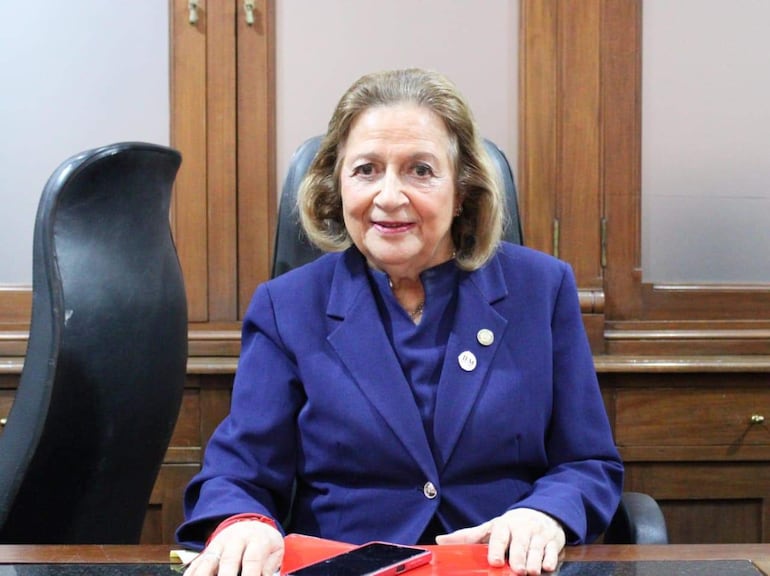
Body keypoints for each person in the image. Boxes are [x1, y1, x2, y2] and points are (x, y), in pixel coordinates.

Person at [177, 68, 623, 576]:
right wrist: (244, 521)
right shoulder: (289, 306)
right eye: (366, 170)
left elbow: (588, 463)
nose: (389, 196)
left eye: (420, 170)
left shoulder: (540, 290)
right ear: (335, 187)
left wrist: (544, 513)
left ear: (461, 191)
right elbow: (239, 473)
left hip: (498, 568)